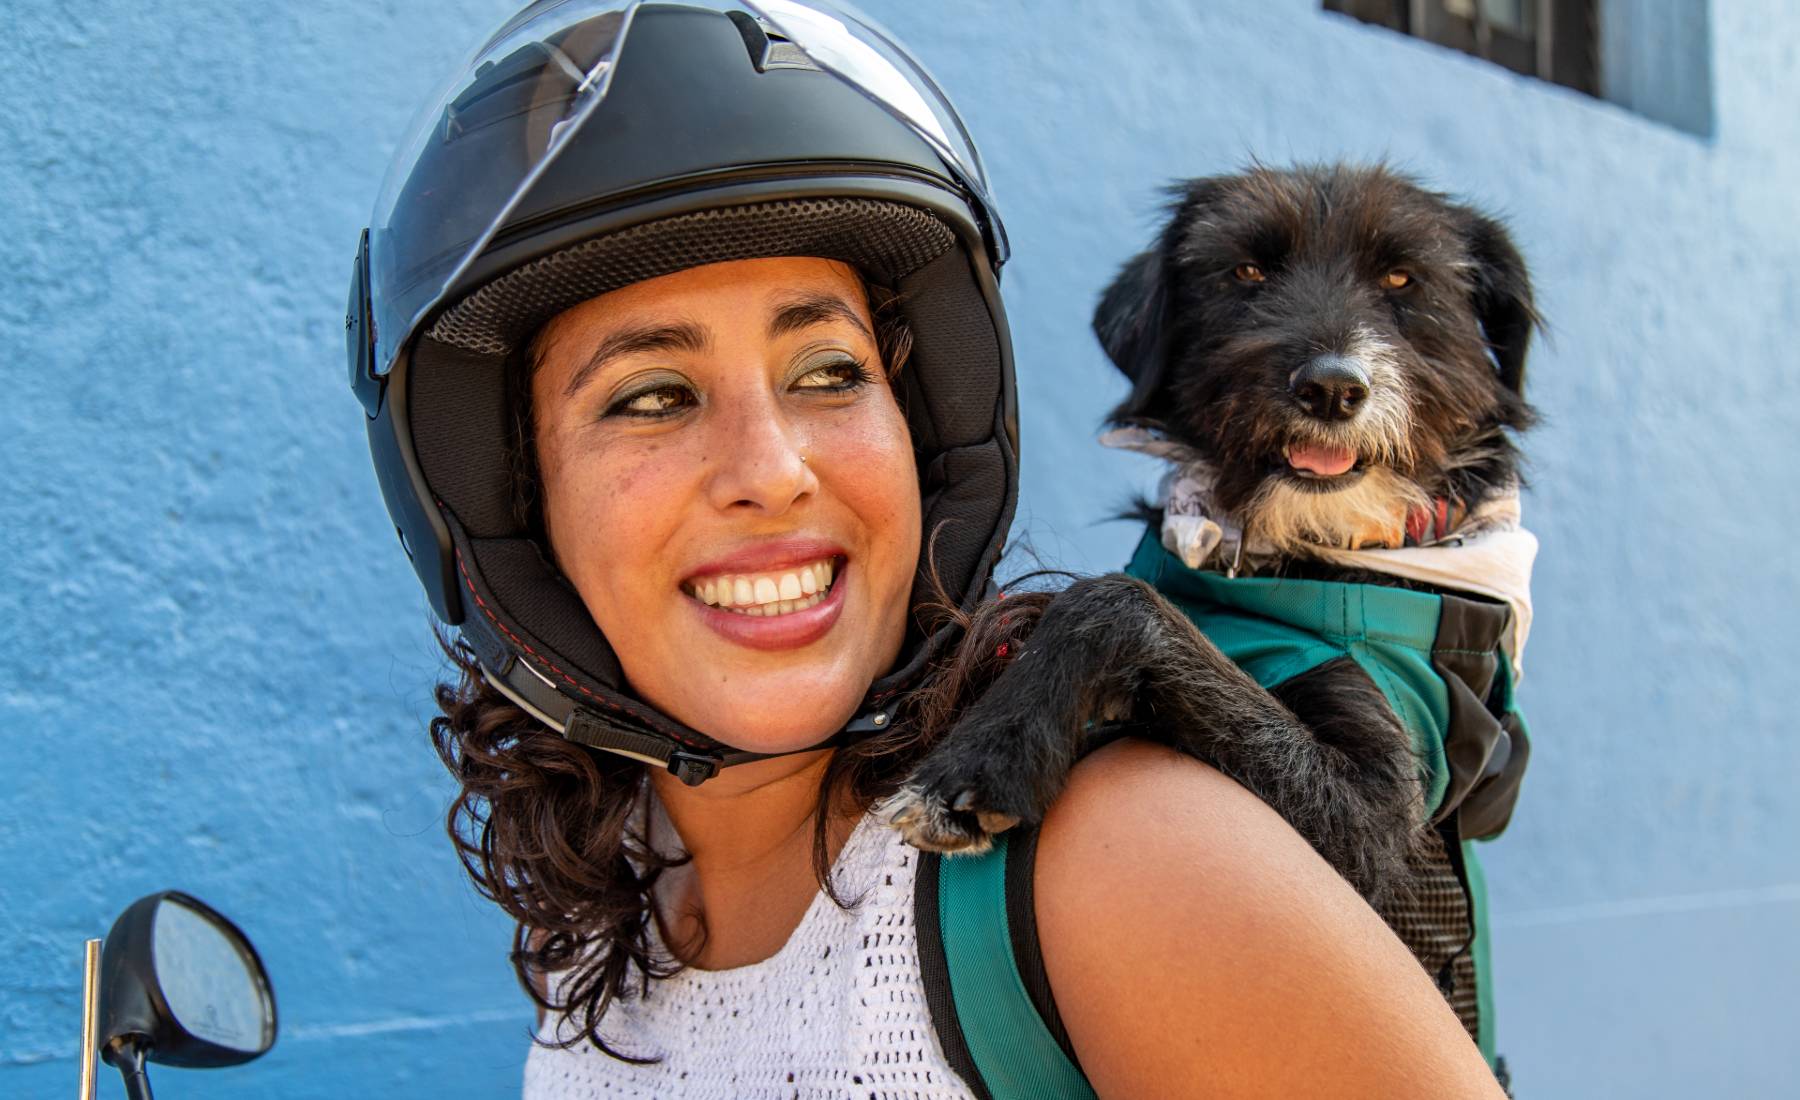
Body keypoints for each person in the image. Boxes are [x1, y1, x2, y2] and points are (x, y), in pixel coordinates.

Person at [346, 2, 1508, 1095]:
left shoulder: (1120, 855)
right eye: (652, 394)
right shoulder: (607, 901)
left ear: (923, 432)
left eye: (830, 371)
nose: (769, 468)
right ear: (509, 495)